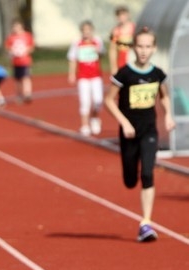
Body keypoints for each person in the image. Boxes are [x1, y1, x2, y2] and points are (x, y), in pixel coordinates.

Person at [104, 27, 175, 242]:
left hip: (149, 131)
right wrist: (124, 122)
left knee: (147, 172)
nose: (143, 51)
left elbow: (164, 96)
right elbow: (108, 101)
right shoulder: (124, 74)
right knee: (130, 179)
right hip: (128, 133)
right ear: (134, 48)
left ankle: (146, 223)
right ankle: (130, 173)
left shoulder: (157, 74)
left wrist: (169, 115)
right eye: (140, 46)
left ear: (153, 48)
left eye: (148, 47)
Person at [67, 20, 105, 136]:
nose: (86, 33)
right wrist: (72, 74)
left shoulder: (97, 41)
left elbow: (103, 54)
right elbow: (72, 59)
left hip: (96, 76)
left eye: (89, 30)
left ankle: (94, 118)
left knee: (98, 100)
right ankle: (84, 125)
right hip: (83, 77)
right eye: (84, 30)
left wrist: (99, 52)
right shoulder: (77, 43)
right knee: (85, 101)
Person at [4, 18, 34, 103]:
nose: (16, 28)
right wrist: (12, 52)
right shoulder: (11, 37)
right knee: (18, 79)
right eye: (14, 27)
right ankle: (19, 95)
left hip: (25, 61)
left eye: (17, 26)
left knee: (26, 77)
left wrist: (24, 51)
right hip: (16, 61)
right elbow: (7, 48)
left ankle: (27, 94)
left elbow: (31, 47)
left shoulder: (27, 36)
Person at [109, 5, 136, 76]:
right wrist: (113, 67)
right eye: (119, 15)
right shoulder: (115, 31)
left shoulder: (135, 28)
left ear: (128, 15)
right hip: (122, 61)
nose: (121, 17)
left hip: (133, 59)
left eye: (123, 14)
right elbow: (112, 49)